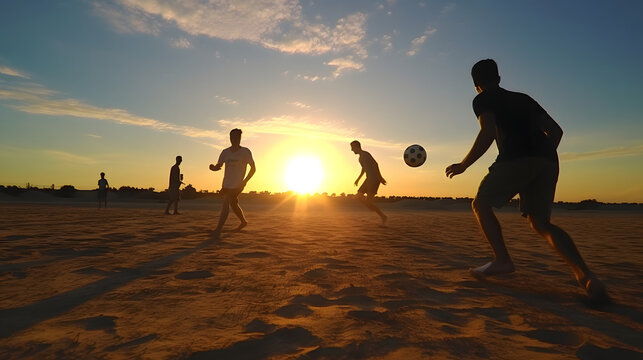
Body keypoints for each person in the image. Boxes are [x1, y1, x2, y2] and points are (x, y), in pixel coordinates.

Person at [445, 59, 608, 301]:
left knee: (481, 203)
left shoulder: (482, 99)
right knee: (542, 224)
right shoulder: (524, 98)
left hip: (515, 158)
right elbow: (556, 131)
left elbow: (488, 131)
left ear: (476, 85)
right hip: (548, 160)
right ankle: (586, 276)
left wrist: (464, 165)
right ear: (499, 79)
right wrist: (538, 159)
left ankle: (502, 260)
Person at [209, 129, 255, 238]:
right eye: (231, 137)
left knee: (226, 202)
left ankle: (218, 230)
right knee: (233, 204)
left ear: (239, 138)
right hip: (226, 184)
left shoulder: (245, 152)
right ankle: (243, 222)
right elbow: (218, 166)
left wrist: (245, 181)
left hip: (238, 184)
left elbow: (253, 168)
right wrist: (213, 168)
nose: (233, 140)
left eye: (235, 137)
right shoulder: (225, 152)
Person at [351, 140, 387, 224]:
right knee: (358, 197)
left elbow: (375, 164)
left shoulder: (366, 154)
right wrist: (358, 179)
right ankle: (370, 206)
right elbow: (363, 169)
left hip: (374, 179)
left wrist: (380, 177)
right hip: (368, 179)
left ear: (357, 147)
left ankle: (383, 216)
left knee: (367, 202)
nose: (352, 150)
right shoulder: (360, 158)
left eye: (352, 148)